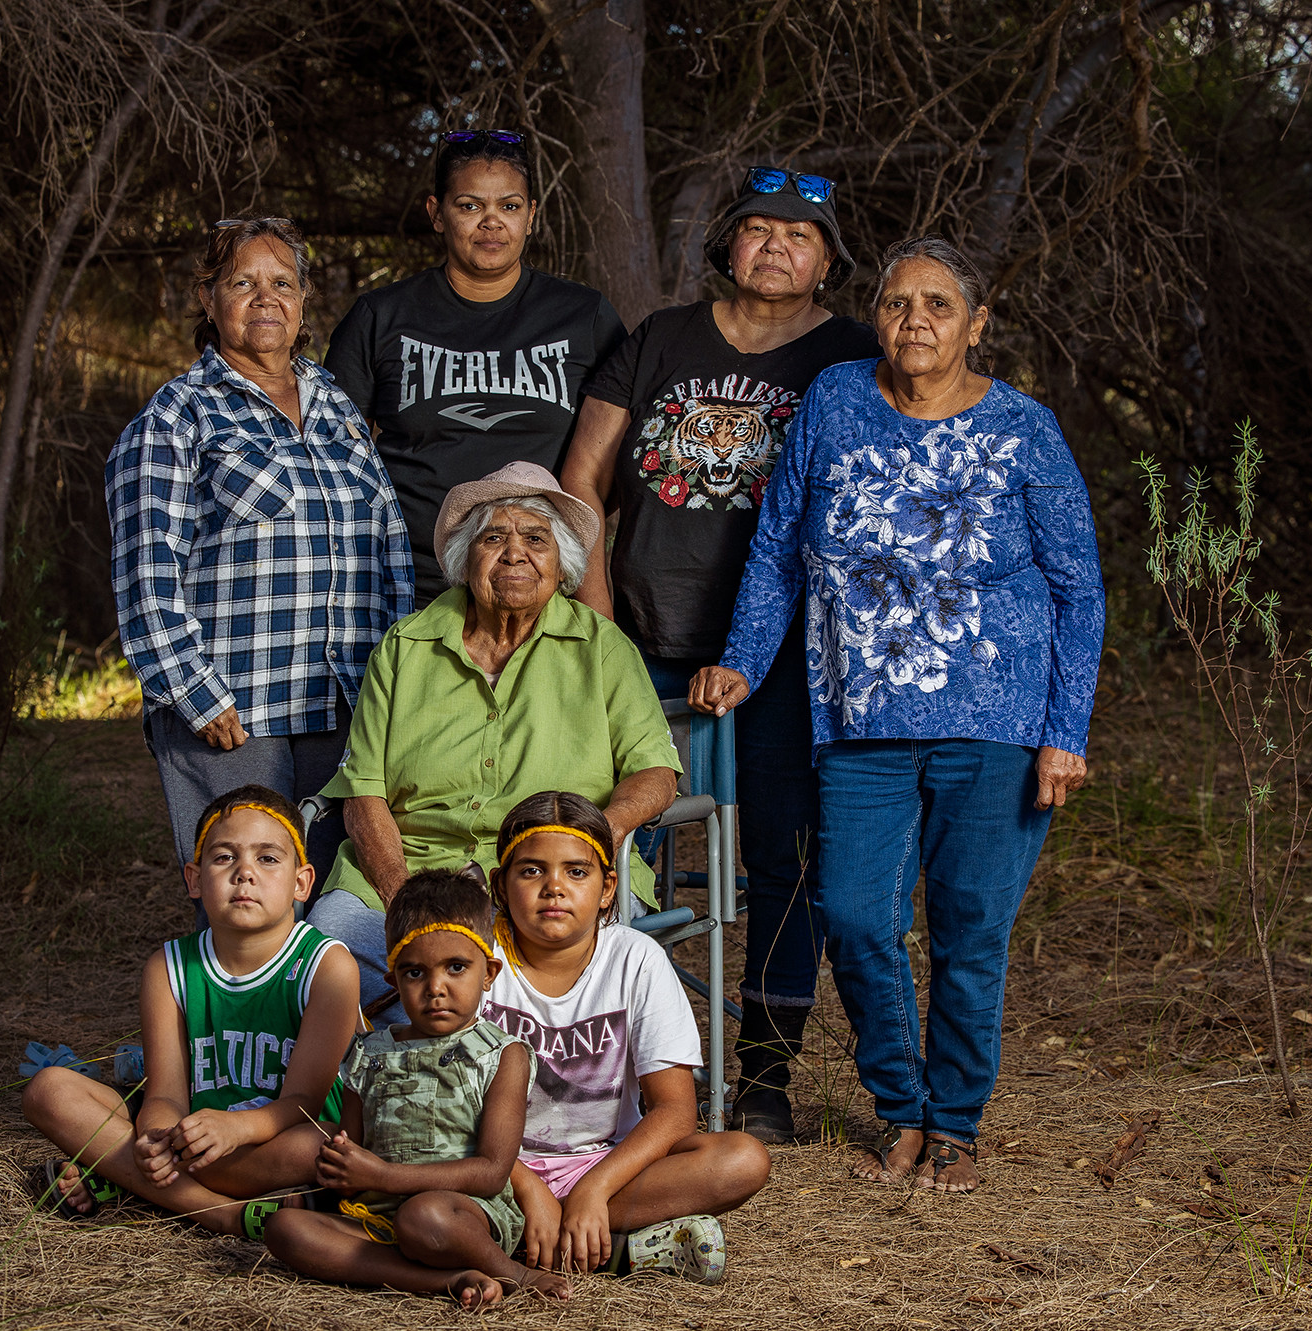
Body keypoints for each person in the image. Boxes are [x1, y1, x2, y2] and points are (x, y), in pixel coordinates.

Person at [691, 237, 1106, 1193]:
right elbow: (779, 548)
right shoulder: (835, 400)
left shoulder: (1024, 427)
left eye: (938, 305)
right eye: (896, 303)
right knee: (853, 914)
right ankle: (898, 1100)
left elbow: (1078, 590)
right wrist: (746, 663)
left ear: (975, 324)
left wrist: (1065, 732)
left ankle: (951, 1122)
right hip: (860, 718)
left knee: (969, 925)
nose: (914, 321)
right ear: (874, 314)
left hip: (998, 718)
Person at [561, 167, 880, 1144]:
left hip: (790, 662)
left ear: (828, 259)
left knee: (783, 861)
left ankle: (764, 1079)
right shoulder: (658, 338)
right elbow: (581, 476)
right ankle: (608, 1072)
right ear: (726, 243)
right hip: (647, 646)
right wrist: (598, 624)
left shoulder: (851, 355)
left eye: (801, 233)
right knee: (619, 853)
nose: (777, 245)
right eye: (757, 228)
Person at [107, 216, 413, 899]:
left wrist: (398, 676)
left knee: (337, 907)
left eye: (282, 282)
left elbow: (388, 540)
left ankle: (329, 1015)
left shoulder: (334, 404)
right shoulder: (176, 418)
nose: (266, 297)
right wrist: (196, 693)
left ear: (304, 300)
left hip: (346, 707)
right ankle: (232, 1011)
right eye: (242, 283)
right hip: (235, 717)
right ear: (208, 299)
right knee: (247, 907)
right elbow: (145, 572)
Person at [306, 462, 681, 1017]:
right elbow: (363, 793)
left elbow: (655, 773)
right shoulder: (404, 648)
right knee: (324, 955)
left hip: (548, 875)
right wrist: (406, 899)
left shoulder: (602, 647)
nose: (514, 553)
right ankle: (406, 1080)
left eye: (536, 539)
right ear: (465, 559)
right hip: (412, 870)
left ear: (562, 565)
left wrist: (597, 840)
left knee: (556, 970)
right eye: (493, 537)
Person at [20, 786, 362, 1237]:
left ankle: (126, 1179)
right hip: (192, 1135)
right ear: (194, 879)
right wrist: (155, 1140)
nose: (245, 874)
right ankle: (224, 1212)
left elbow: (301, 1105)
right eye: (224, 858)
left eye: (268, 859)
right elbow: (164, 1095)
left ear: (302, 882)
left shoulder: (327, 965)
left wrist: (234, 1130)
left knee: (323, 1148)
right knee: (49, 1091)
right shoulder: (169, 966)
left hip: (278, 1136)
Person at [324, 130, 625, 605]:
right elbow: (334, 466)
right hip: (412, 584)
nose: (491, 222)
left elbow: (609, 464)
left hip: (545, 585)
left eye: (509, 206)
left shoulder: (584, 317)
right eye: (469, 206)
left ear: (531, 217)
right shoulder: (381, 317)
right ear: (436, 213)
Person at [483, 791, 770, 1283]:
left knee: (741, 1160)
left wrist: (594, 1188)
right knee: (426, 1189)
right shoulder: (474, 959)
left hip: (605, 1166)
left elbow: (675, 1111)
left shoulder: (636, 959)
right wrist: (527, 1187)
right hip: (492, 1171)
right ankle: (617, 1250)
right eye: (531, 871)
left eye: (577, 872)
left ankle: (556, 1226)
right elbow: (450, 1107)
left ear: (608, 887)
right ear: (499, 884)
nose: (554, 888)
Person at [263, 870, 570, 1308]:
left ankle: (512, 1272)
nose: (436, 988)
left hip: (461, 1216)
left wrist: (384, 1176)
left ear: (489, 973)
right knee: (285, 1229)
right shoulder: (368, 1055)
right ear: (394, 982)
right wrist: (337, 1176)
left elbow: (491, 1173)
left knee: (424, 1216)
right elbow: (355, 1155)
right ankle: (443, 1280)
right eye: (414, 973)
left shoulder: (502, 1055)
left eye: (457, 967)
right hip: (376, 1220)